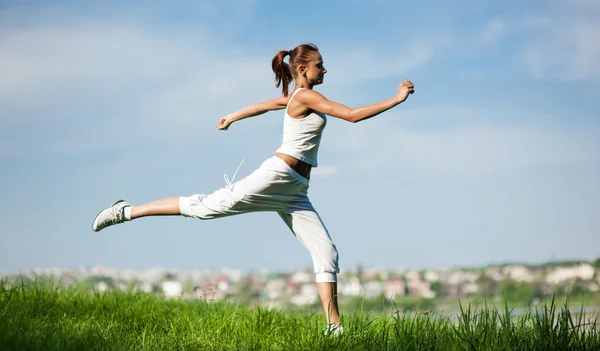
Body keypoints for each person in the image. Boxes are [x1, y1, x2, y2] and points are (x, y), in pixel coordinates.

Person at [92, 43, 415, 335]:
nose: (325, 69)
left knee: (326, 253)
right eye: (320, 65)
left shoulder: (296, 97)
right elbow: (353, 115)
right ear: (303, 70)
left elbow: (265, 105)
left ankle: (334, 329)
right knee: (203, 208)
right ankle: (125, 211)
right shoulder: (305, 96)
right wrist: (397, 99)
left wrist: (233, 115)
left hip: (296, 191)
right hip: (275, 177)